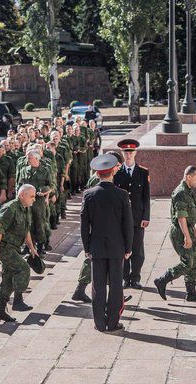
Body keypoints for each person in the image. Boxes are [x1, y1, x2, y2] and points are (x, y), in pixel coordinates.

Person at [80, 154, 133, 332]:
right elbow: (128, 224)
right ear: (112, 173)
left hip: (96, 247)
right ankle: (113, 322)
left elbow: (84, 225)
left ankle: (99, 323)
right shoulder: (122, 195)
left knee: (98, 287)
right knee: (116, 286)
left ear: (98, 174)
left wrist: (87, 248)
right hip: (117, 247)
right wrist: (128, 247)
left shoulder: (88, 194)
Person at [72, 151, 123, 303]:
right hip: (97, 228)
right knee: (92, 261)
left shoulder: (100, 176)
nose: (119, 169)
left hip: (99, 227)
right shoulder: (97, 180)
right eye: (118, 166)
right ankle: (80, 290)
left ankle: (113, 292)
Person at [154, 166, 196, 302]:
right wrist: (187, 237)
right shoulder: (181, 193)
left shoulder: (189, 191)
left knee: (194, 262)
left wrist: (195, 236)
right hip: (180, 232)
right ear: (188, 177)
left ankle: (191, 292)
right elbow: (181, 217)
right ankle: (162, 280)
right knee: (187, 263)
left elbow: (189, 219)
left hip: (188, 229)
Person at [0, 184, 39, 322]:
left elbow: (26, 230)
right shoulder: (9, 208)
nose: (34, 199)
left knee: (8, 278)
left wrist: (31, 247)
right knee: (23, 268)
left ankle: (0, 310)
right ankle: (18, 301)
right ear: (22, 195)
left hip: (15, 247)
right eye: (32, 196)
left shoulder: (25, 208)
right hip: (4, 248)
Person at [114, 139, 150, 289]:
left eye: (131, 152)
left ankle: (135, 278)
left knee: (138, 250)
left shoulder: (143, 172)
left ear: (135, 153)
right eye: (125, 152)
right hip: (121, 218)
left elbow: (146, 196)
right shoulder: (117, 173)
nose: (128, 155)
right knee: (122, 249)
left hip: (137, 218)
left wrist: (146, 216)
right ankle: (125, 278)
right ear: (122, 154)